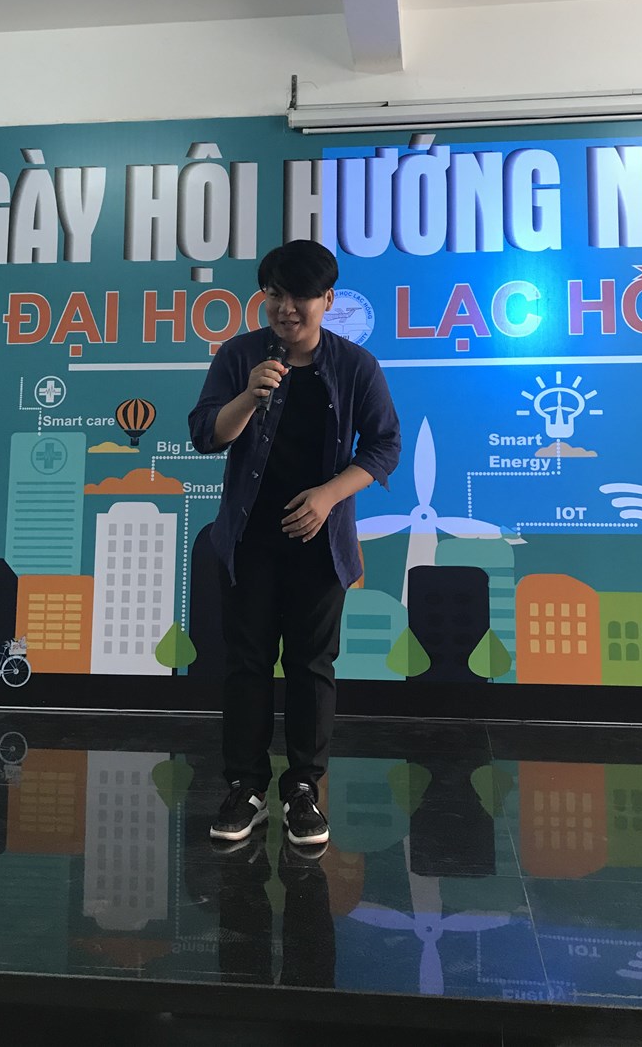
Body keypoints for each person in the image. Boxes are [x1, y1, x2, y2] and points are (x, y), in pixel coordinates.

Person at [188, 240, 400, 846]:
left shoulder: (356, 366)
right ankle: (246, 787)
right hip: (249, 540)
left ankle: (304, 788)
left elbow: (384, 446)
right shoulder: (239, 356)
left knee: (311, 666)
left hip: (320, 543)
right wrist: (247, 397)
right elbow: (206, 434)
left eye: (300, 296)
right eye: (275, 295)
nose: (286, 308)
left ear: (327, 300)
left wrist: (329, 496)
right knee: (247, 664)